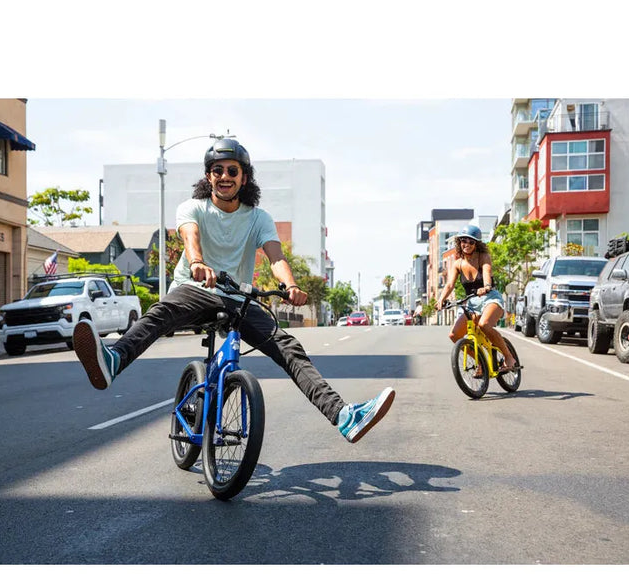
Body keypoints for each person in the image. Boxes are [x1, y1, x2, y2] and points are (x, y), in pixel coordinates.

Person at [72, 138, 395, 443]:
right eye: (217, 170)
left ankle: (342, 416)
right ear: (208, 176)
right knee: (162, 312)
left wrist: (291, 285)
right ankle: (113, 360)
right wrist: (198, 263)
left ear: (244, 178)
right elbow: (190, 236)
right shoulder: (193, 208)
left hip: (238, 298)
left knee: (287, 347)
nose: (224, 176)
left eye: (232, 171)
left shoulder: (258, 218)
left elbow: (276, 258)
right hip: (195, 288)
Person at [435, 224, 518, 372]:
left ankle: (508, 356)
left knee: (484, 325)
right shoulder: (458, 264)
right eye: (464, 241)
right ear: (460, 242)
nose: (467, 244)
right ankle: (481, 362)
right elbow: (449, 285)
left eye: (471, 242)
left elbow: (487, 271)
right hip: (472, 304)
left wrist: (486, 286)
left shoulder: (483, 257)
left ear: (476, 244)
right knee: (454, 335)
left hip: (490, 299)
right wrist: (441, 299)